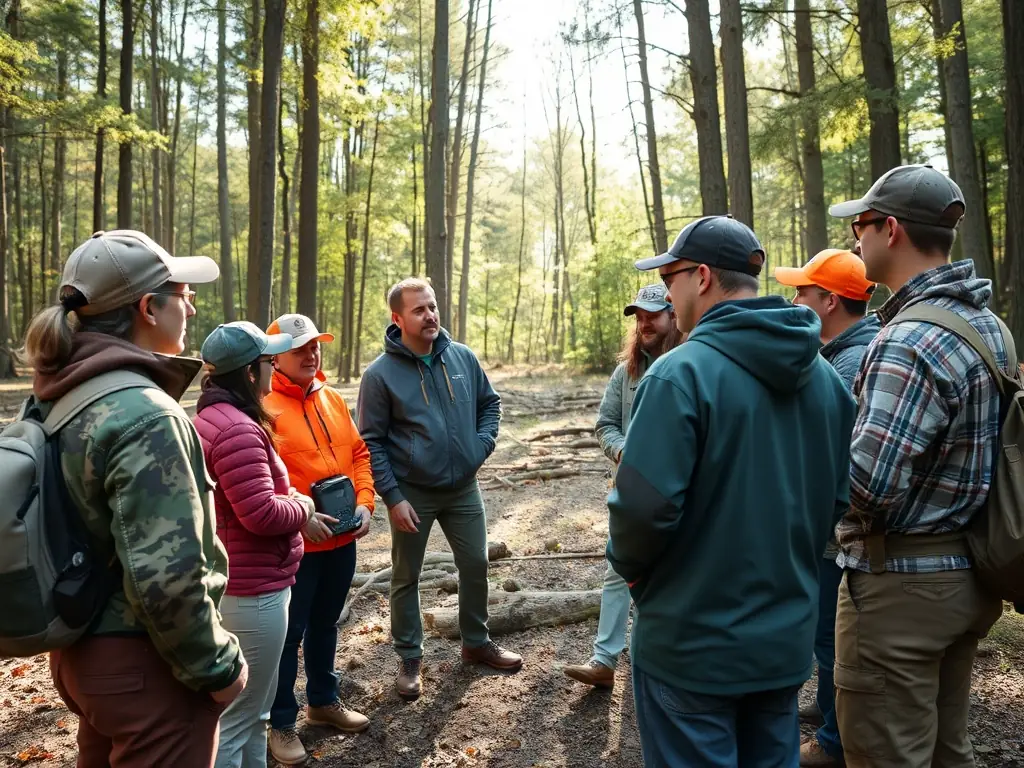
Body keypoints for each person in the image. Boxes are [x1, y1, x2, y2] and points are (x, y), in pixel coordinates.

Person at [607, 216, 856, 767]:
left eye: (670, 277)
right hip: (782, 643)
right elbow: (836, 502)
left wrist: (633, 572)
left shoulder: (679, 375)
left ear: (700, 277)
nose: (667, 293)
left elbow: (641, 510)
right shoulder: (827, 381)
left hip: (690, 644)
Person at [23, 230, 246, 767]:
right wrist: (218, 668)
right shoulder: (145, 413)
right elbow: (167, 576)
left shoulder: (59, 395)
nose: (191, 303)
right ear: (149, 307)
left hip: (82, 655)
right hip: (149, 666)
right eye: (181, 292)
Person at [828, 164, 1006, 767]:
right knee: (946, 751)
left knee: (883, 754)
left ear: (892, 229)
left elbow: (866, 488)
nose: (857, 238)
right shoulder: (987, 325)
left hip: (902, 589)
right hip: (970, 574)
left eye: (862, 224)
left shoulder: (907, 341)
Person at [357, 277, 518, 702]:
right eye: (419, 310)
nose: (430, 315)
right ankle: (410, 658)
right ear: (398, 318)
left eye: (432, 306)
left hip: (464, 487)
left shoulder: (462, 357)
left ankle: (476, 642)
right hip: (413, 493)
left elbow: (490, 403)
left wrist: (481, 446)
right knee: (406, 576)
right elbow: (370, 441)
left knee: (476, 564)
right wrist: (393, 498)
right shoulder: (380, 375)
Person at [193, 322, 326, 768]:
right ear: (251, 373)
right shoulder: (236, 430)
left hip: (242, 585)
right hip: (253, 594)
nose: (272, 369)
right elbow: (261, 514)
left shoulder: (213, 417)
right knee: (240, 717)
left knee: (254, 715)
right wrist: (302, 507)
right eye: (268, 362)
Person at [774, 248, 880, 767]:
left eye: (803, 293)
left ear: (830, 301)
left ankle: (836, 742)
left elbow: (839, 455)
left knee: (832, 635)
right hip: (832, 530)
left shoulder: (850, 361)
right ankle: (826, 706)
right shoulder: (840, 352)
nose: (795, 300)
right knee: (826, 632)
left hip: (839, 533)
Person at [264, 314, 375, 766]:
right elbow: (262, 483)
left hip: (342, 541)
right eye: (300, 348)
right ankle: (282, 721)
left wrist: (366, 501)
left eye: (315, 346)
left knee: (327, 623)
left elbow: (360, 453)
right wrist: (297, 521)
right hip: (296, 546)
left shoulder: (332, 398)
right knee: (288, 636)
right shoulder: (262, 407)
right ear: (274, 358)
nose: (311, 354)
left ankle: (324, 701)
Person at [563, 283, 683, 689]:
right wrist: (623, 452)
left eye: (653, 314)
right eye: (640, 316)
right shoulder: (626, 372)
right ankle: (604, 661)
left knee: (671, 575)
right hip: (631, 492)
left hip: (677, 495)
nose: (646, 323)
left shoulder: (687, 364)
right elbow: (605, 424)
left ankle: (661, 663)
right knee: (618, 570)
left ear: (673, 315)